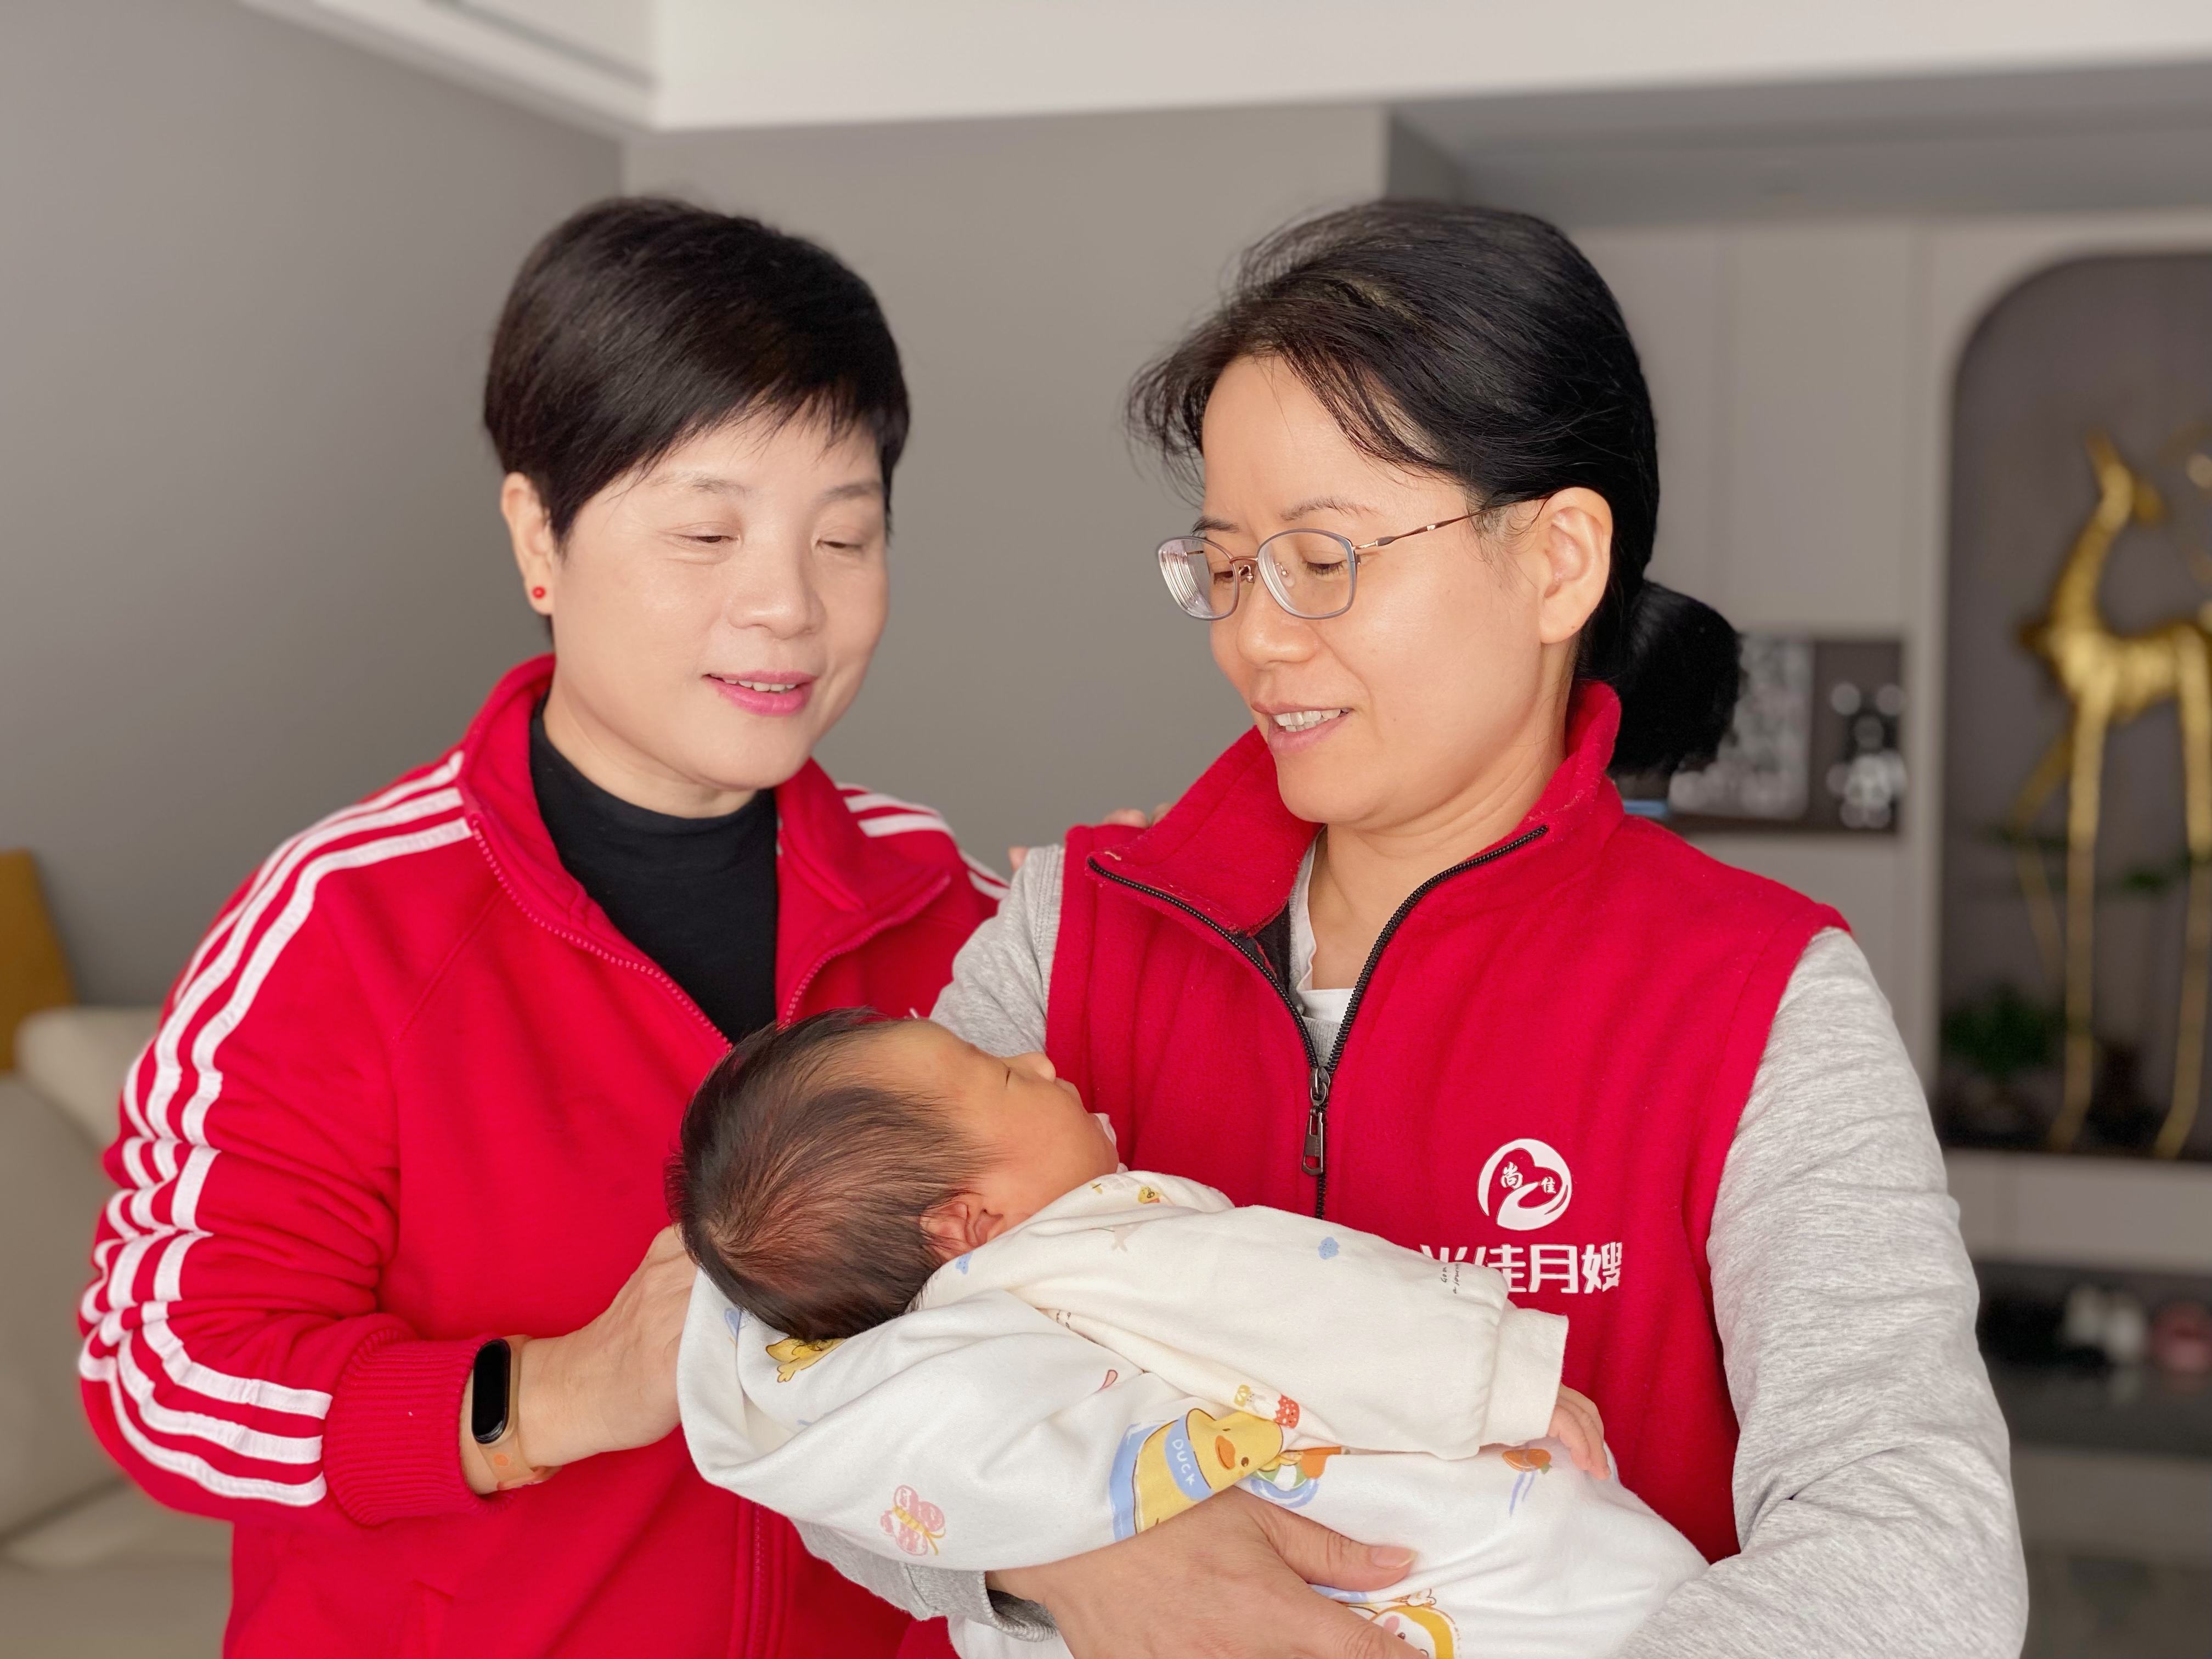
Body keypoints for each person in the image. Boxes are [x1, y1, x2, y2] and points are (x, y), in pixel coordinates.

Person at [809, 202, 2029, 1658]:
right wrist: (1071, 1560)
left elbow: (1918, 1551)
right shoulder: (1073, 934)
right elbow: (803, 1369)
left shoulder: (1759, 998)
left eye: (1324, 557)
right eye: (1228, 566)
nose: (1257, 636)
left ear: (1558, 561)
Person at [76, 199, 1007, 1658]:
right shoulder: (340, 923)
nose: (787, 606)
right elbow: (163, 1378)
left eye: (846, 535)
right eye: (706, 531)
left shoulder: (952, 908)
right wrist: (559, 1394)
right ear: (539, 536)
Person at [669, 1010, 1701, 1659]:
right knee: (1599, 1570)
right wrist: (1503, 1378)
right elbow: (1302, 1305)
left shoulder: (874, 1388)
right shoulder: (1100, 1248)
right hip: (1417, 1568)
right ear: (969, 1224)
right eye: (1005, 1075)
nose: (1038, 1055)